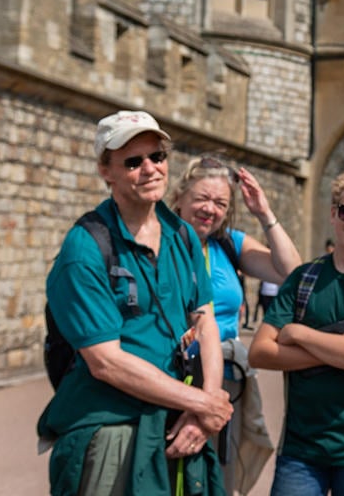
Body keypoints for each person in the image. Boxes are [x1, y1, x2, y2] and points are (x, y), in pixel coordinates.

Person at [37, 110, 232, 494]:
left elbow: (204, 319)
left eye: (157, 157)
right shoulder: (85, 247)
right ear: (105, 170)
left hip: (180, 420)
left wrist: (206, 404)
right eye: (132, 161)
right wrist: (203, 403)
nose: (150, 169)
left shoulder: (182, 234)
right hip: (113, 425)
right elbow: (106, 362)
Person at [248, 164, 344, 496]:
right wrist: (338, 350)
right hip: (302, 449)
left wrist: (299, 334)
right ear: (334, 213)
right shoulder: (304, 278)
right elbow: (260, 352)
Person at [170, 154, 302, 494]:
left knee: (220, 479)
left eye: (219, 203)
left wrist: (264, 213)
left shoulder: (228, 245)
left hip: (226, 380)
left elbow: (291, 272)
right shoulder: (161, 242)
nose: (209, 209)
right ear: (179, 197)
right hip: (174, 378)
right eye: (200, 198)